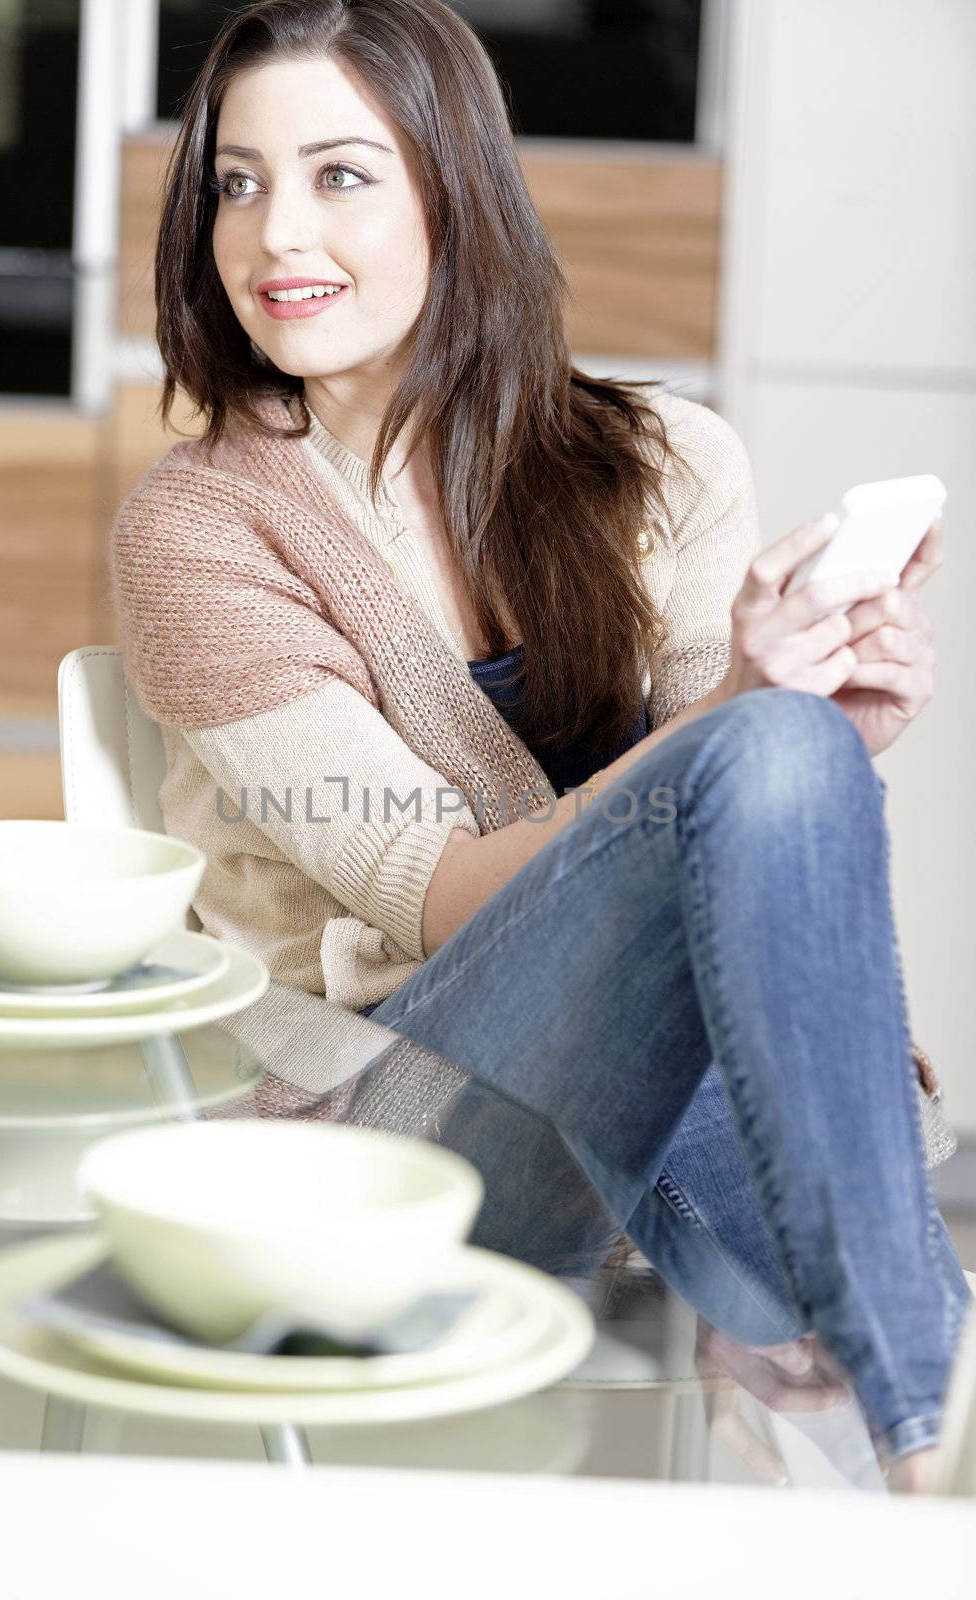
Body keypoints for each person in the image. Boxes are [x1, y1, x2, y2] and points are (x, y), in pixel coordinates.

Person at [108, 0, 970, 1489]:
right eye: (237, 183)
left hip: (658, 1099)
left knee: (787, 754)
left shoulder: (671, 460)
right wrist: (742, 729)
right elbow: (438, 898)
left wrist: (825, 724)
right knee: (757, 751)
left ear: (456, 187)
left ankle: (846, 1364)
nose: (272, 235)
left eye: (339, 174)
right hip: (397, 1129)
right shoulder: (199, 530)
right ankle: (927, 1404)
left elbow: (726, 847)